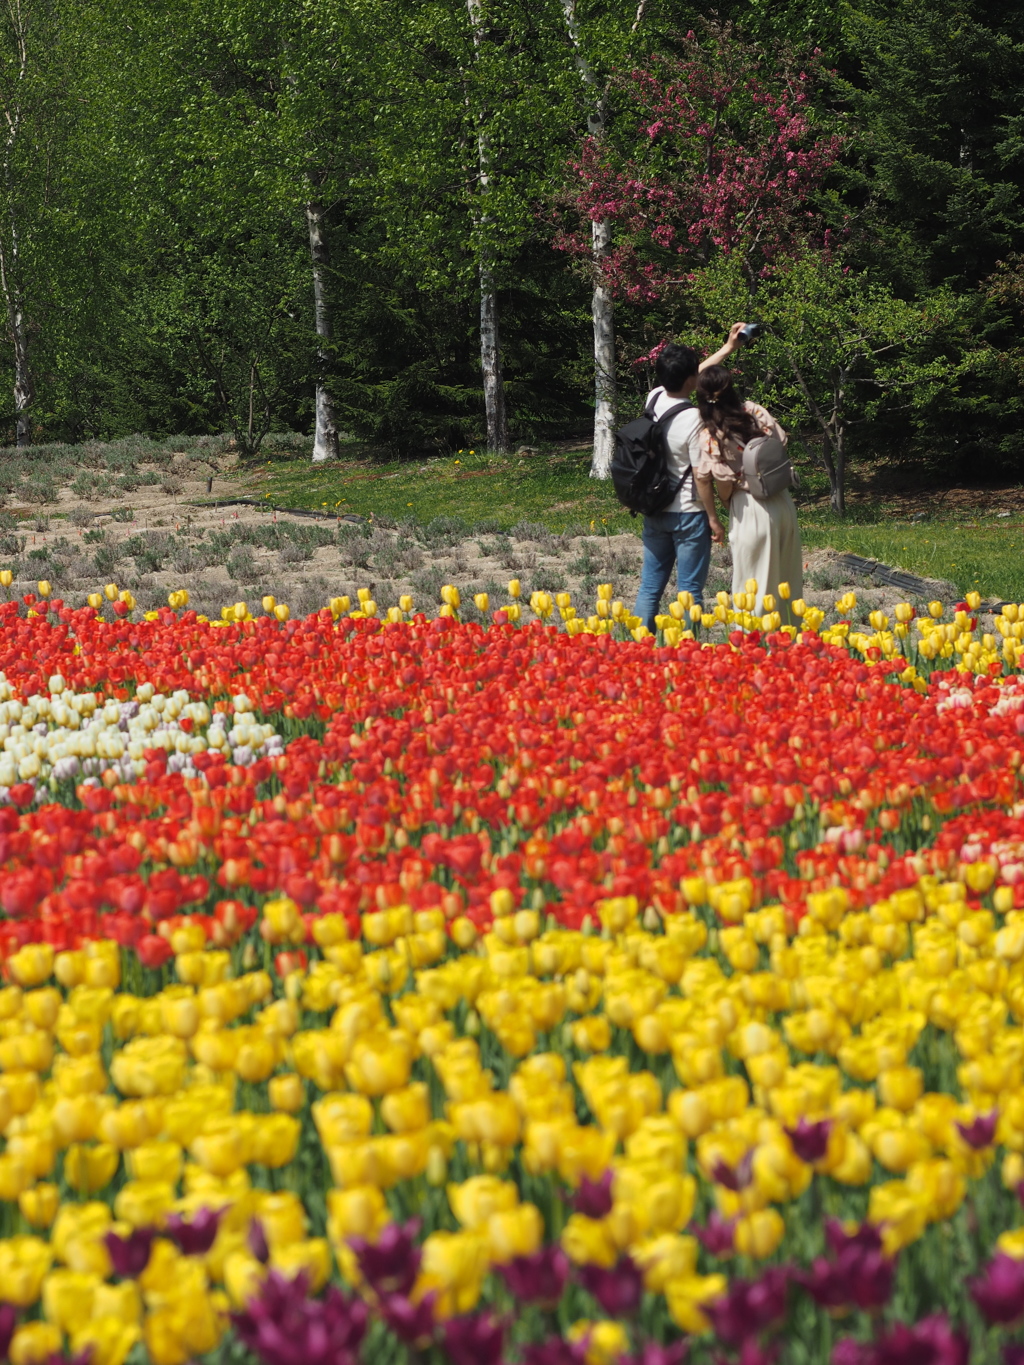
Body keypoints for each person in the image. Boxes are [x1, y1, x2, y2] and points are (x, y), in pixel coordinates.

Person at [633, 323, 749, 633]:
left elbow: (689, 374)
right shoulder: (696, 419)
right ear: (691, 380)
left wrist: (727, 349)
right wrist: (713, 517)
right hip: (688, 513)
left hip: (655, 508)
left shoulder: (654, 399)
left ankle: (634, 653)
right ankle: (690, 655)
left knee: (649, 588)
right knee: (689, 590)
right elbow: (701, 475)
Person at [691, 365, 803, 621]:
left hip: (748, 506)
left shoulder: (711, 433)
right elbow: (780, 441)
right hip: (782, 500)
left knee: (753, 585)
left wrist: (723, 501)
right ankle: (789, 646)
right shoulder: (753, 411)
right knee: (787, 581)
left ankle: (753, 650)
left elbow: (718, 478)